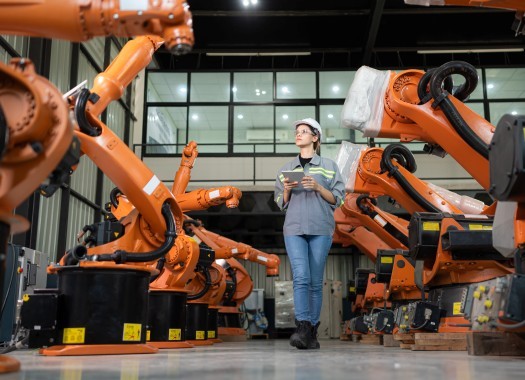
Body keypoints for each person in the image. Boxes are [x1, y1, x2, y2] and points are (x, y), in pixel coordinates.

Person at [274, 118, 345, 349]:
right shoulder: (287, 169)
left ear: (315, 137)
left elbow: (338, 198)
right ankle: (303, 326)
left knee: (315, 282)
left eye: (303, 131)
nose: (298, 134)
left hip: (321, 228)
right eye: (297, 131)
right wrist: (286, 190)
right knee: (301, 278)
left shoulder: (329, 166)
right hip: (294, 228)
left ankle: (312, 332)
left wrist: (318, 187)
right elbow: (279, 203)